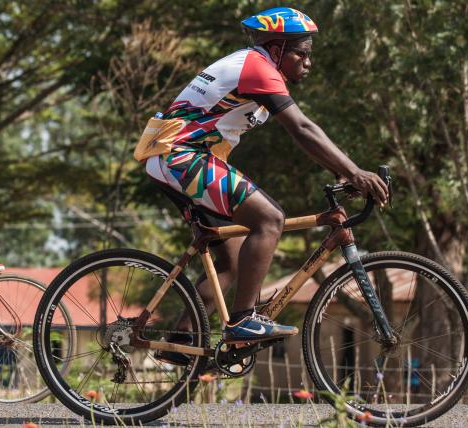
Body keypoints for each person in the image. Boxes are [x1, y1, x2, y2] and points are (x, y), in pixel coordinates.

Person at [133, 7, 389, 364]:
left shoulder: (254, 66)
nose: (308, 63)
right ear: (277, 49)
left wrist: (341, 171)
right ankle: (243, 322)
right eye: (302, 53)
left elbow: (303, 136)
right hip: (180, 155)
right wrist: (353, 171)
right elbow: (302, 129)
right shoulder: (257, 66)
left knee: (233, 265)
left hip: (179, 155)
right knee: (270, 220)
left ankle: (180, 339)